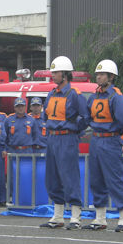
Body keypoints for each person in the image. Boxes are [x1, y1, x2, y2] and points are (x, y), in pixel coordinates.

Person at [39, 56, 89, 230]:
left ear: (66, 74)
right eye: (53, 72)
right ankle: (58, 215)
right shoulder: (51, 93)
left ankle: (75, 216)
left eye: (57, 72)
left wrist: (74, 129)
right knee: (52, 176)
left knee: (69, 175)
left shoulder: (74, 94)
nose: (53, 75)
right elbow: (45, 115)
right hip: (52, 138)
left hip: (67, 138)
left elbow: (85, 116)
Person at [83, 60, 123, 231]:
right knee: (96, 179)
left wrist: (111, 132)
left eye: (102, 74)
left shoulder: (116, 96)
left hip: (110, 140)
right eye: (97, 74)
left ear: (111, 77)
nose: (98, 77)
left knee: (115, 178)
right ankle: (100, 218)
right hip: (96, 140)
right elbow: (88, 116)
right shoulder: (95, 96)